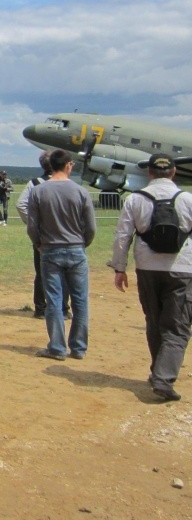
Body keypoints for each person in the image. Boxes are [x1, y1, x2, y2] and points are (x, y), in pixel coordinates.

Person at [107, 153, 192, 402]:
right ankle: (163, 379)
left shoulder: (135, 199)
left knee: (154, 321)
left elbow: (122, 236)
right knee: (177, 327)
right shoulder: (187, 198)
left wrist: (119, 268)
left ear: (149, 173)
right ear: (174, 172)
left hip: (146, 267)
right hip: (182, 268)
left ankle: (158, 370)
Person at [25, 149, 96, 360]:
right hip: (76, 249)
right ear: (68, 165)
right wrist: (83, 243)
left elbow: (32, 226)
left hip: (50, 250)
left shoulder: (38, 191)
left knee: (54, 300)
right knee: (80, 300)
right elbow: (90, 227)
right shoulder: (81, 192)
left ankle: (57, 348)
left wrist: (39, 243)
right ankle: (79, 347)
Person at [17, 152, 71, 319]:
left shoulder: (34, 184)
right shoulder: (68, 184)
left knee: (41, 272)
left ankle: (40, 308)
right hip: (64, 234)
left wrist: (33, 223)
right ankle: (63, 308)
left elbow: (21, 205)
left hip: (42, 235)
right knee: (65, 272)